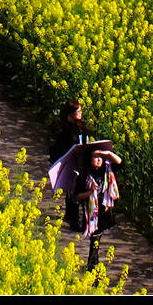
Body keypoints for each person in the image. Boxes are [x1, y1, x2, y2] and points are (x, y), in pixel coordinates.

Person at [76, 147, 122, 269]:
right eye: (96, 157)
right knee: (95, 239)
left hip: (103, 211)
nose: (99, 159)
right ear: (89, 158)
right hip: (91, 212)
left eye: (101, 157)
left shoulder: (107, 170)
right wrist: (90, 192)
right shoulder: (84, 174)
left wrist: (108, 153)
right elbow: (78, 195)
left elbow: (119, 162)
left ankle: (92, 265)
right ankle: (93, 265)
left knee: (96, 238)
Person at [50, 99, 92, 231]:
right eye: (78, 111)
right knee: (73, 192)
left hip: (82, 162)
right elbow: (60, 149)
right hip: (71, 163)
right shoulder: (65, 131)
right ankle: (74, 220)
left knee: (79, 191)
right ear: (70, 114)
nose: (81, 113)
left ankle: (80, 219)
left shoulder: (82, 127)